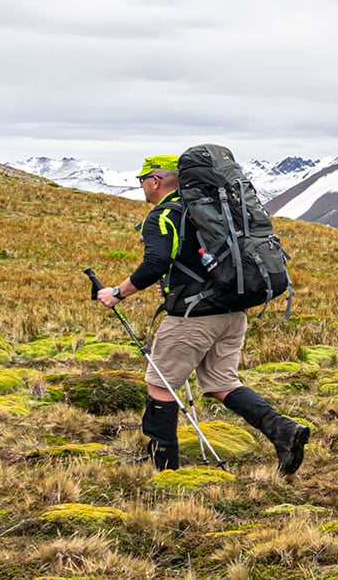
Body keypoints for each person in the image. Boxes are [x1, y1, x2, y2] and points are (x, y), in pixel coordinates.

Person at [96, 154, 309, 475]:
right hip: (232, 313)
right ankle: (283, 430)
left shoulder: (164, 215)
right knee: (221, 383)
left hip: (192, 319)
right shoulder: (210, 212)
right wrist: (173, 284)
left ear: (156, 180)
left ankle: (163, 466)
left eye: (142, 180)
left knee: (160, 385)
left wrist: (117, 292)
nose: (140, 186)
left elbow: (155, 264)